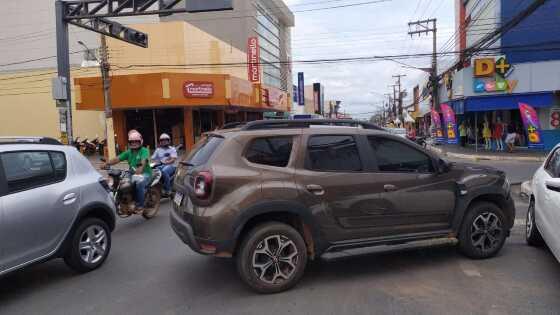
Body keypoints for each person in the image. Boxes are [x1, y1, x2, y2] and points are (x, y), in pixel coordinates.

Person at [103, 130, 152, 213]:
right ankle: (124, 200)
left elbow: (144, 160)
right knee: (121, 182)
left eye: (136, 141)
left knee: (139, 183)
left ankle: (140, 205)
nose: (134, 143)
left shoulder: (144, 151)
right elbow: (117, 159)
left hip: (145, 174)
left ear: (140, 141)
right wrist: (106, 163)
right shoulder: (129, 152)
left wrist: (140, 168)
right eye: (132, 142)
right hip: (132, 173)